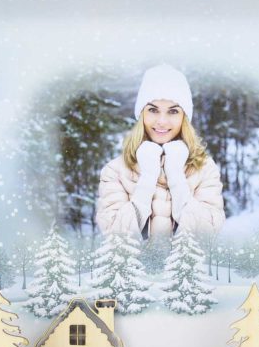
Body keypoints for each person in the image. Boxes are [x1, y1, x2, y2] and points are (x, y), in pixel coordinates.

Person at [96, 64, 225, 239]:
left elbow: (207, 236)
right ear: (141, 114)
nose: (162, 121)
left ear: (184, 117)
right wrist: (147, 177)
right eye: (153, 110)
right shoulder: (115, 170)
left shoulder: (205, 168)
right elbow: (115, 238)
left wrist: (176, 176)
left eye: (173, 111)